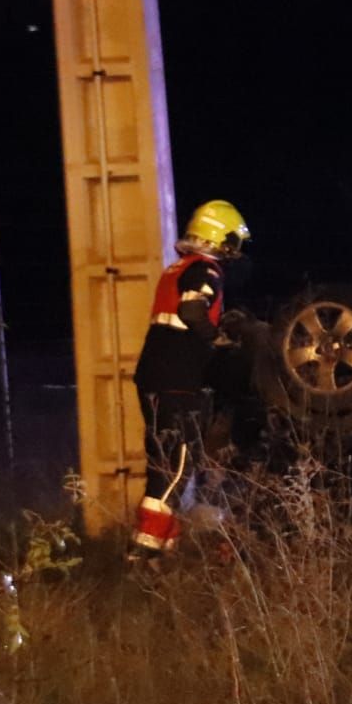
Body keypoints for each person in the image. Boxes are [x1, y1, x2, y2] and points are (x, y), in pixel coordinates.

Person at [129, 200, 251, 559]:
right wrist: (217, 339)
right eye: (231, 240)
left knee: (162, 463)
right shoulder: (206, 269)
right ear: (218, 236)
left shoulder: (177, 267)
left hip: (154, 376)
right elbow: (193, 309)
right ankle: (143, 552)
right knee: (176, 466)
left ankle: (165, 545)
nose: (234, 250)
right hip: (178, 379)